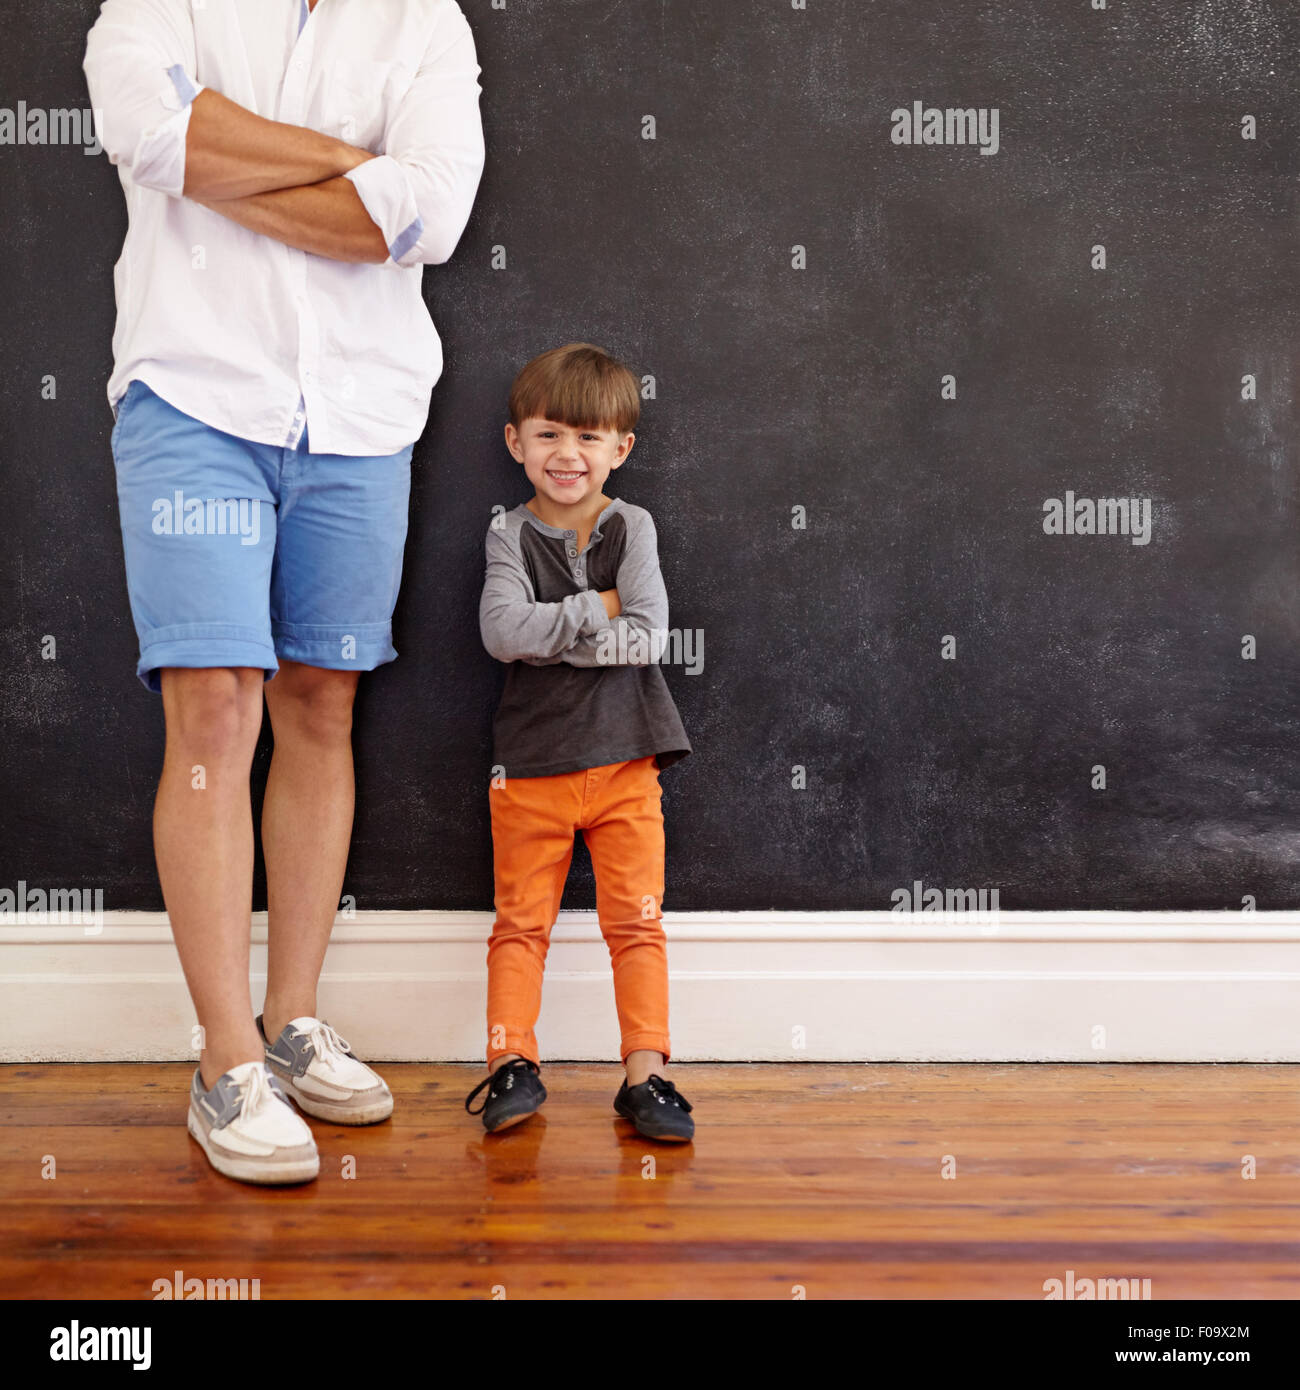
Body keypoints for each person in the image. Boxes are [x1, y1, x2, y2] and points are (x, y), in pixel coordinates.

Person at [83, 0, 485, 1184]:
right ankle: (224, 1063)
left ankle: (292, 1024)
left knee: (321, 701)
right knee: (214, 703)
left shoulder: (425, 20)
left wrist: (230, 146)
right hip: (194, 398)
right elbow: (150, 139)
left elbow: (435, 214)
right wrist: (353, 167)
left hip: (363, 413)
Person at [465, 343, 696, 1142]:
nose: (568, 454)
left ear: (621, 449)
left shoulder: (632, 527)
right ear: (515, 443)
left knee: (635, 923)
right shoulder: (506, 536)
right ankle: (510, 1065)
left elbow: (648, 637)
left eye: (589, 438)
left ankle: (647, 1074)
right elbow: (500, 633)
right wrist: (595, 608)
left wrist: (556, 627)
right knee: (519, 925)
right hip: (528, 770)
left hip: (629, 762)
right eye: (550, 435)